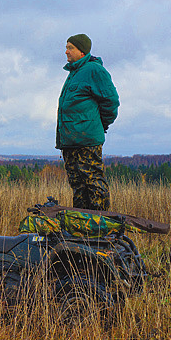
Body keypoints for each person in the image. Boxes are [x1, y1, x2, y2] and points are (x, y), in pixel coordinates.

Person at [56, 34, 120, 211]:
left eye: (70, 48)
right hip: (70, 142)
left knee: (93, 184)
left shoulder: (94, 70)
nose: (66, 51)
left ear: (82, 51)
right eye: (66, 47)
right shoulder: (74, 72)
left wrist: (100, 124)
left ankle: (100, 228)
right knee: (78, 186)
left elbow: (111, 101)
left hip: (87, 141)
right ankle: (82, 230)